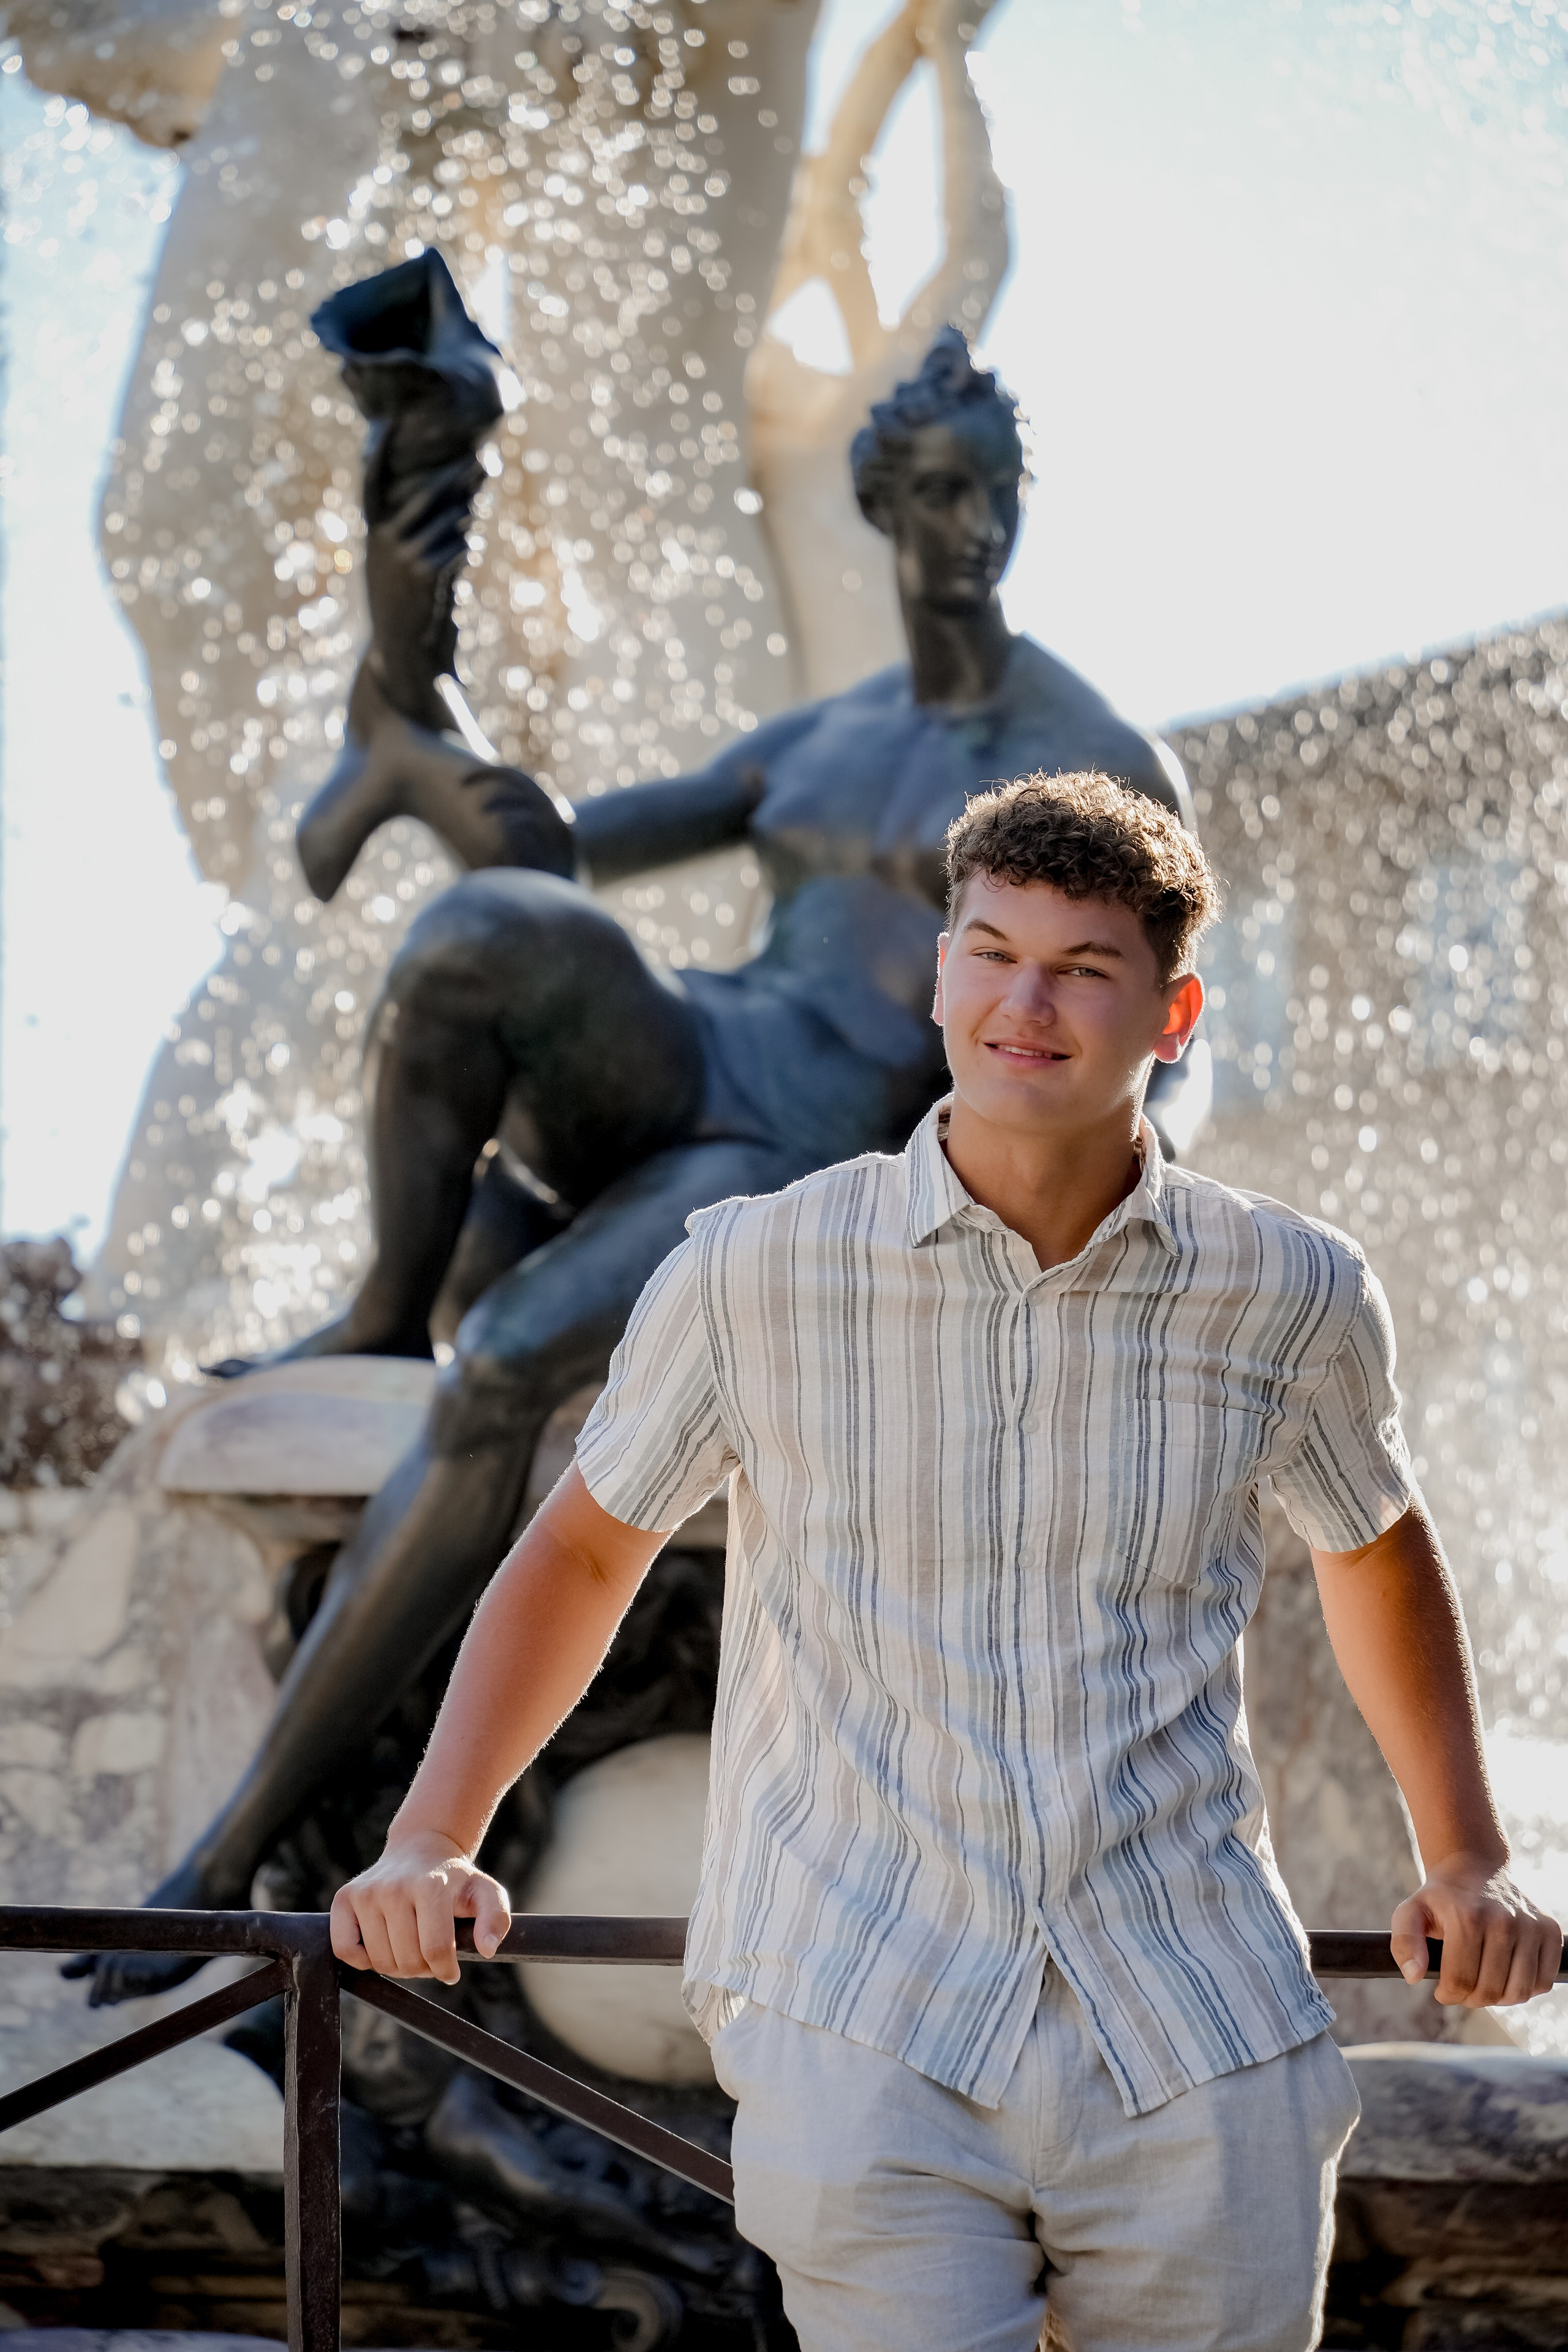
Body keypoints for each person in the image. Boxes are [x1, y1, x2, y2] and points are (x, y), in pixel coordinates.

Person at [330, 772, 1562, 2352]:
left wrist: (1467, 1857)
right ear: (938, 975)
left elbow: (1375, 1547)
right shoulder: (753, 1270)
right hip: (863, 2014)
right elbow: (581, 1551)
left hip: (1196, 2019)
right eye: (991, 954)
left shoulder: (1291, 1288)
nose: (1022, 1006)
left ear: (1174, 1013)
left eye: (1083, 970)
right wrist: (434, 1836)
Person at [80, 330, 1209, 2000]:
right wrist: (418, 662)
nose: (970, 528)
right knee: (487, 926)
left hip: (797, 1146)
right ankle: (382, 1306)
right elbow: (544, 848)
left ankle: (233, 1849)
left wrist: (1108, 1231)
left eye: (995, 494)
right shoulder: (818, 741)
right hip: (702, 1051)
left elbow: (1165, 1030)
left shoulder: (1091, 755)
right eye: (938, 492)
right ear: (883, 505)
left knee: (511, 1355)